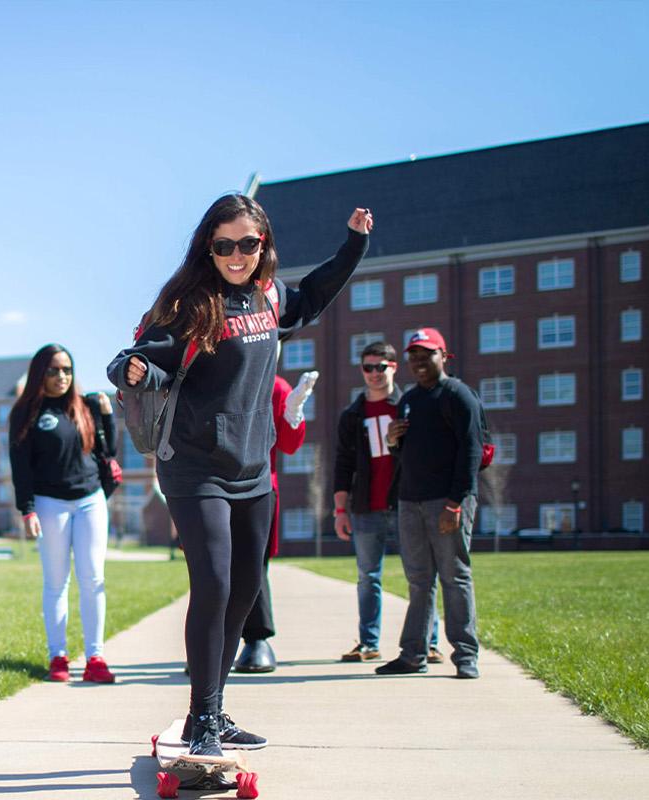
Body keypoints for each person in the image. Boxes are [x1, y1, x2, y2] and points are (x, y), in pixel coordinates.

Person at [109, 194, 371, 755]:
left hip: (254, 468)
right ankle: (201, 720)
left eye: (247, 244)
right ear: (209, 245)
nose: (235, 254)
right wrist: (130, 368)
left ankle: (216, 710)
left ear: (263, 245)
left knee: (247, 590)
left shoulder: (271, 297)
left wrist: (354, 245)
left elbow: (318, 292)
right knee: (215, 585)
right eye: (223, 244)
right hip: (194, 466)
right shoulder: (191, 304)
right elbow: (145, 354)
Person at [375, 328, 483, 679]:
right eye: (414, 357)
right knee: (419, 581)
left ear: (444, 356)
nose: (419, 362)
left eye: (427, 355)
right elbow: (408, 452)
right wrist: (393, 443)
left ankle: (465, 655)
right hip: (411, 501)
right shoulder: (409, 400)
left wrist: (456, 502)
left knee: (455, 577)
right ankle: (412, 655)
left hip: (447, 502)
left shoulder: (458, 395)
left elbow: (471, 452)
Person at [9, 343, 117, 684]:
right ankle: (58, 656)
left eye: (67, 370)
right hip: (49, 503)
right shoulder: (26, 413)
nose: (61, 376)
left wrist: (108, 415)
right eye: (54, 370)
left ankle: (95, 657)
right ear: (40, 373)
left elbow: (108, 452)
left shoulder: (85, 406)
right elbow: (20, 466)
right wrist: (26, 510)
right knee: (56, 582)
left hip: (90, 500)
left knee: (93, 579)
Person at [332, 341, 441, 664]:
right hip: (366, 506)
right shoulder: (352, 415)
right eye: (369, 367)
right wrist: (340, 510)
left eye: (382, 366)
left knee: (420, 576)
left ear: (394, 367)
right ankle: (369, 643)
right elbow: (342, 465)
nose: (375, 374)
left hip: (408, 502)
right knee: (368, 577)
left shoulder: (410, 405)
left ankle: (429, 642)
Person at [233, 372, 315, 673]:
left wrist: (293, 414)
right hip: (214, 481)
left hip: (260, 484)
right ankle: (213, 640)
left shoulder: (276, 387)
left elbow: (290, 446)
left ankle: (257, 638)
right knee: (212, 567)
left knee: (254, 566)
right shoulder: (220, 376)